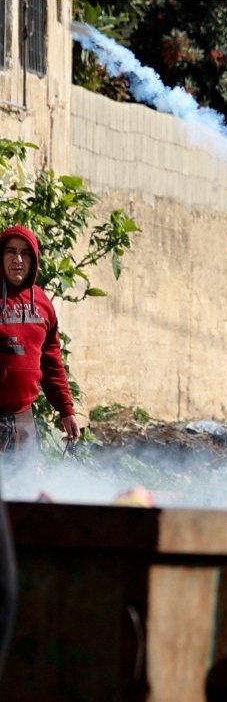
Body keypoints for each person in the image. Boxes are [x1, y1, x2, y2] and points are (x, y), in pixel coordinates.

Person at [0, 224, 81, 675]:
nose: (15, 261)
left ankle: (19, 597)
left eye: (23, 255)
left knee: (20, 512)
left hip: (25, 426)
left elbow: (52, 360)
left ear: (34, 261)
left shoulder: (43, 306)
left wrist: (66, 410)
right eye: (9, 252)